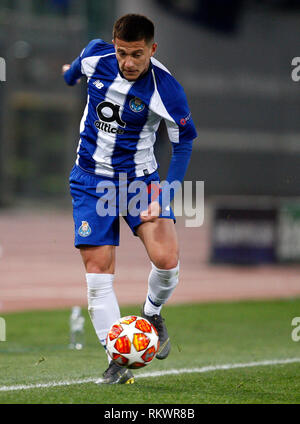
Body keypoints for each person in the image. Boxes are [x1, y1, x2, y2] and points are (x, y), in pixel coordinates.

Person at [62, 13, 197, 384]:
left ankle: (152, 313)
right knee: (98, 276)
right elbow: (74, 71)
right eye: (122, 53)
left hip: (140, 181)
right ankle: (116, 359)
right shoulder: (96, 57)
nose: (128, 62)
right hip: (91, 180)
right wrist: (69, 74)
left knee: (167, 260)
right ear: (113, 45)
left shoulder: (165, 89)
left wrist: (166, 193)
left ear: (152, 49)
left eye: (137, 54)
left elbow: (184, 141)